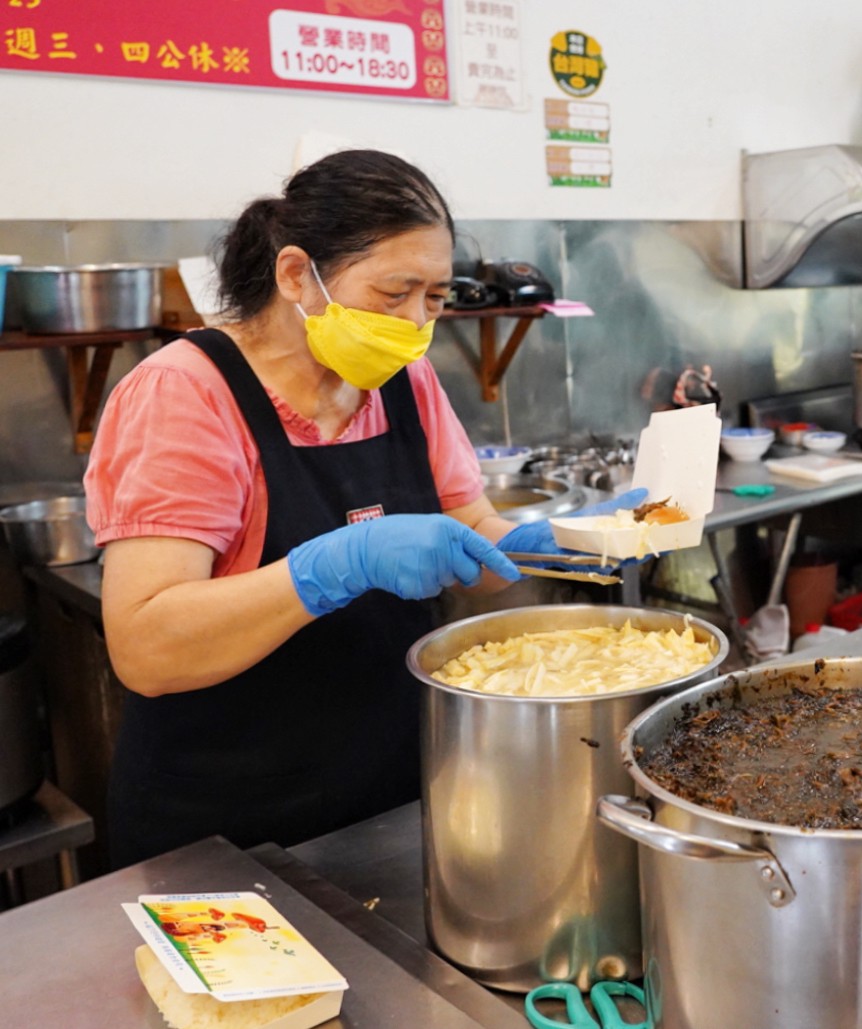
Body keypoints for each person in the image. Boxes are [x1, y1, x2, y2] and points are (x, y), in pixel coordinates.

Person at [86, 149, 640, 867]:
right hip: (224, 826)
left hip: (387, 797)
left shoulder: (402, 381)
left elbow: (473, 533)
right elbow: (146, 646)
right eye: (392, 292)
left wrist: (555, 540)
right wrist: (332, 566)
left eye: (434, 298)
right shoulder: (184, 393)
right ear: (296, 276)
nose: (414, 324)